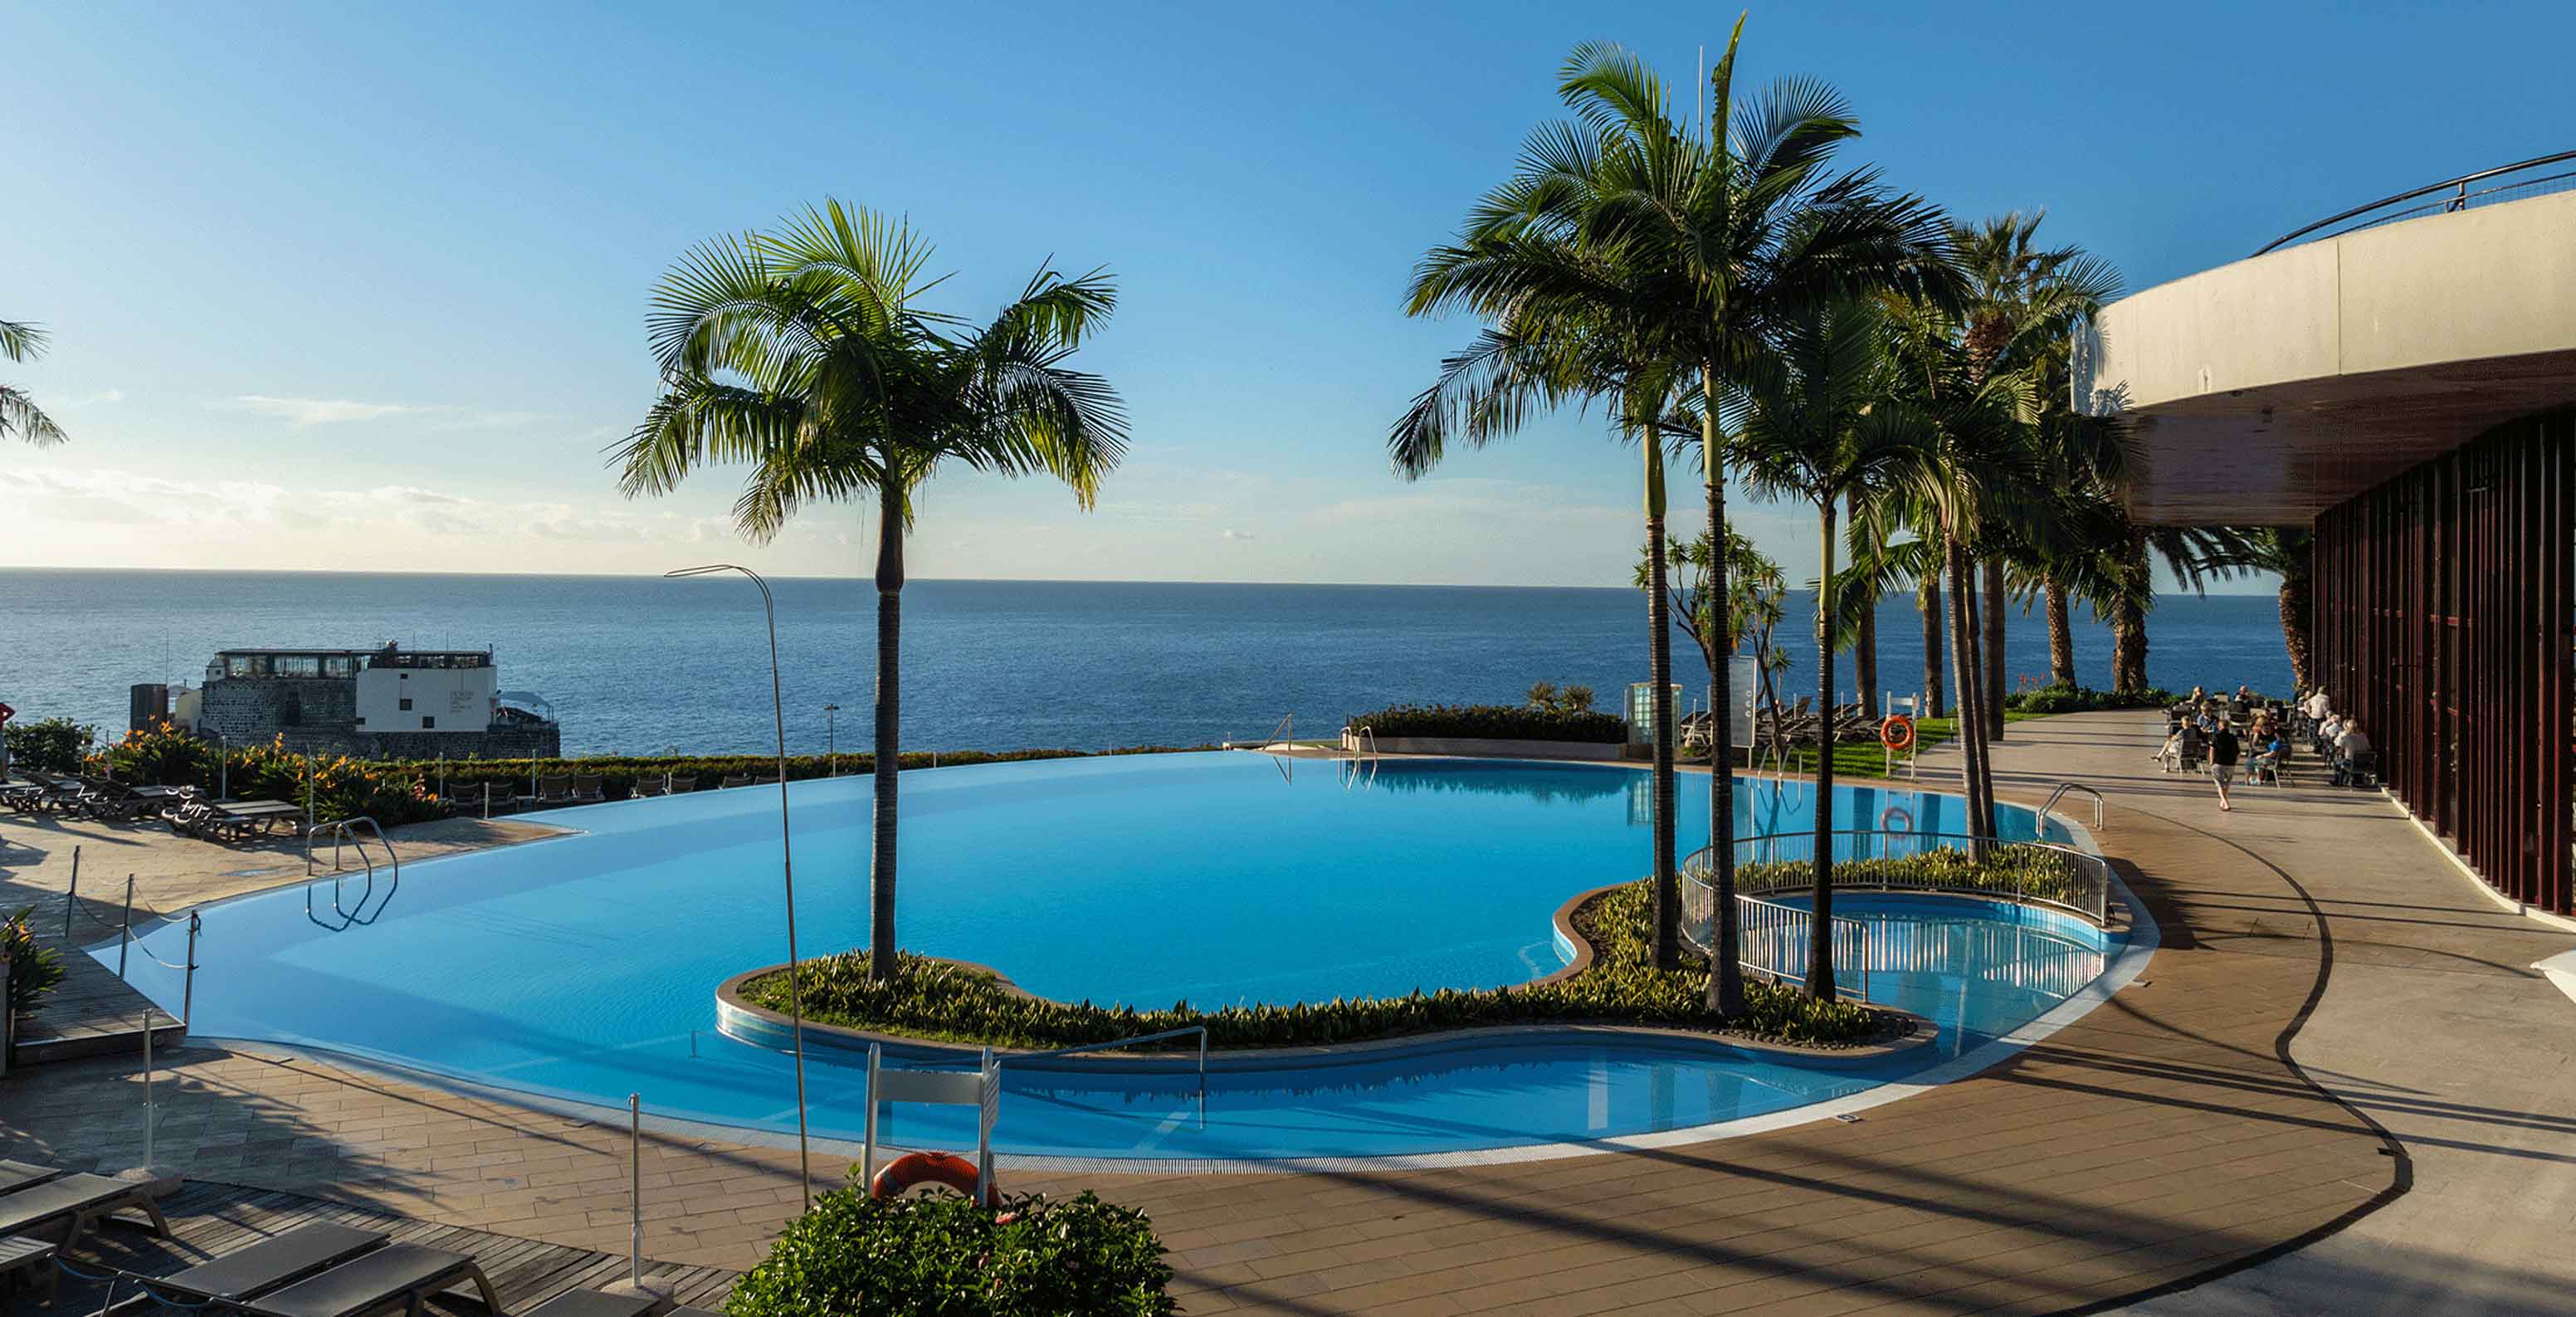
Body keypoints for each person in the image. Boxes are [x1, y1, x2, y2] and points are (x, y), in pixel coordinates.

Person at [2208, 719, 2241, 811]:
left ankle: (2225, 802)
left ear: (2219, 726)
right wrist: (2235, 761)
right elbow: (2238, 752)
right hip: (2230, 763)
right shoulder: (2233, 737)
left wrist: (2211, 762)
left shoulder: (2216, 736)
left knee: (2219, 784)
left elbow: (2212, 750)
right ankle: (2222, 803)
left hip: (2218, 763)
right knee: (2226, 785)